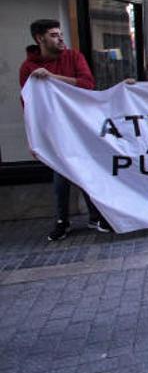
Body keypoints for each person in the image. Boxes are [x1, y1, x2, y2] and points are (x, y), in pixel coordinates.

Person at [19, 19, 111, 240]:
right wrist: (33, 138)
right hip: (54, 129)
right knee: (61, 173)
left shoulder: (73, 57)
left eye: (60, 34)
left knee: (86, 170)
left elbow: (87, 84)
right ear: (40, 39)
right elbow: (28, 104)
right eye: (53, 35)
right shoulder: (28, 68)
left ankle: (94, 216)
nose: (60, 38)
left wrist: (52, 78)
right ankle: (63, 220)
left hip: (80, 126)